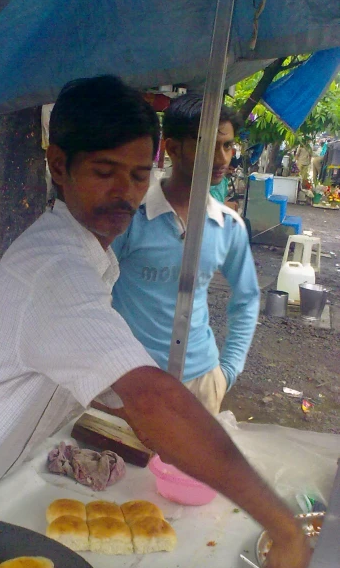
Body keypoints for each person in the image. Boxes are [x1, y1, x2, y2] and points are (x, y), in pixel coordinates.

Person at [0, 75, 309, 568]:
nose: (124, 193)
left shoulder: (88, 255)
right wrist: (284, 528)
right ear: (59, 165)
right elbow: (150, 395)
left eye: (139, 175)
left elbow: (109, 389)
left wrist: (173, 433)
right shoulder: (54, 271)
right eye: (105, 172)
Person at [111, 95, 259, 416]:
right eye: (210, 145)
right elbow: (91, 293)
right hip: (132, 380)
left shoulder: (228, 227)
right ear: (173, 148)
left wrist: (227, 372)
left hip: (201, 383)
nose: (222, 158)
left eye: (228, 146)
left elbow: (247, 299)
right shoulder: (129, 218)